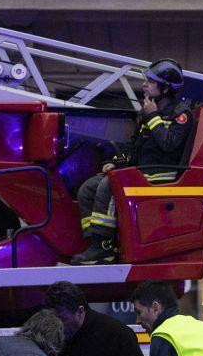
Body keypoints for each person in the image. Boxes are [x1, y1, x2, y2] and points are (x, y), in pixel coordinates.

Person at [70, 59, 193, 265]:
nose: (145, 85)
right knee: (88, 189)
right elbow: (135, 146)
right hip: (142, 169)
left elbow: (169, 144)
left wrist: (152, 116)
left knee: (110, 184)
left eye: (150, 81)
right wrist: (117, 164)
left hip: (161, 174)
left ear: (165, 88)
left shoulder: (180, 113)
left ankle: (103, 247)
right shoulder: (146, 112)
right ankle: (96, 244)